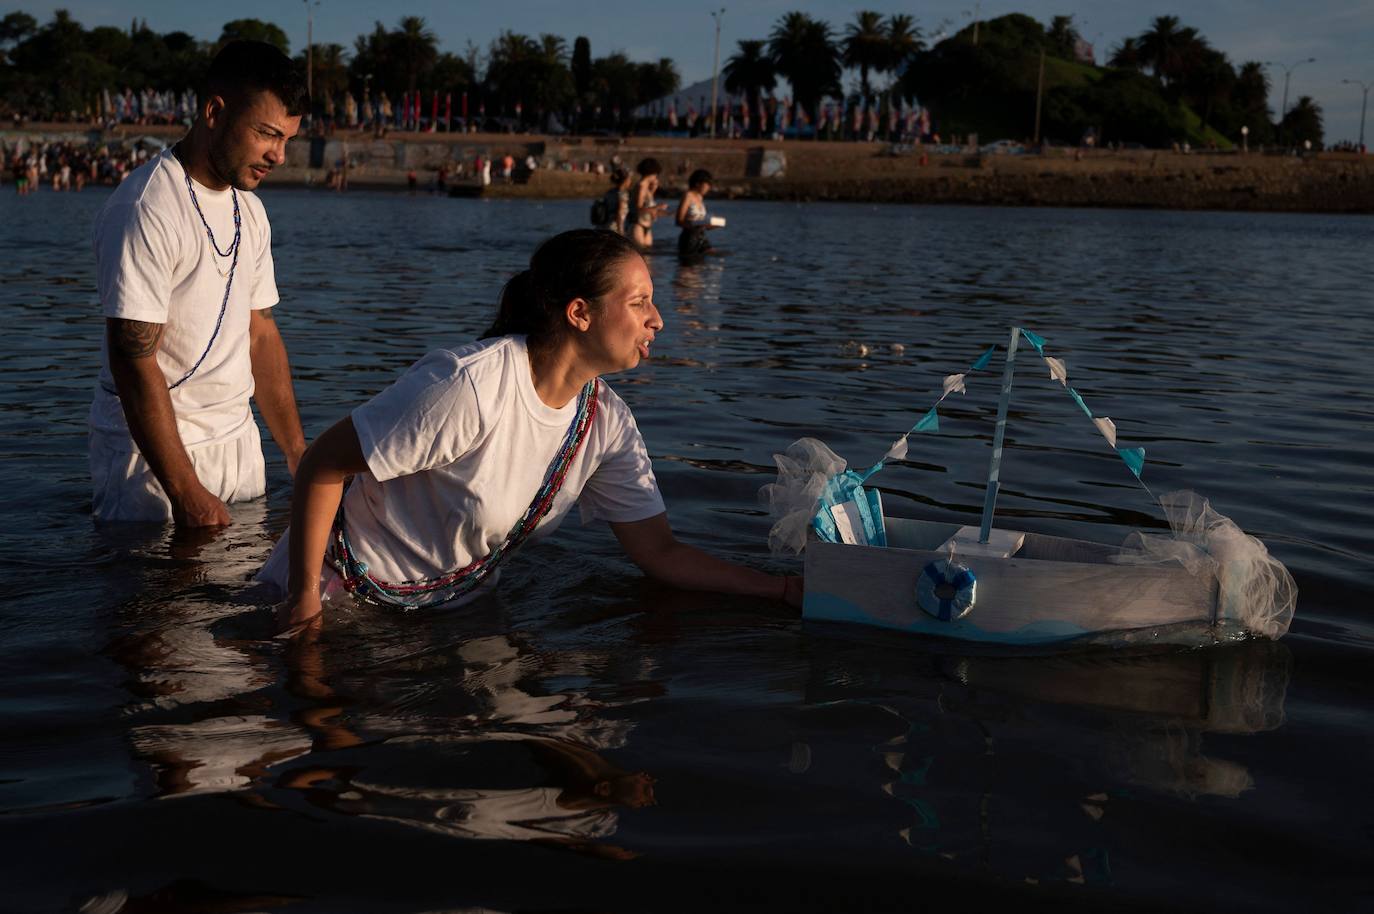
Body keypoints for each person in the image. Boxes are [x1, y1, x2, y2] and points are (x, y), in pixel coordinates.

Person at [260, 229, 802, 632]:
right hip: (333, 597)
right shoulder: (469, 385)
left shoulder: (607, 426)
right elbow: (321, 464)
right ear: (579, 313)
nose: (657, 319)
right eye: (639, 303)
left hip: (448, 610)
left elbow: (660, 552)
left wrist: (781, 590)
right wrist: (305, 597)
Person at [88, 40, 308, 526]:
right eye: (267, 134)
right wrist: (187, 492)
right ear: (214, 111)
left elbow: (261, 333)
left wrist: (297, 454)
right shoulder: (147, 207)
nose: (280, 155)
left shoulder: (250, 209)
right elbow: (132, 356)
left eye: (287, 139)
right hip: (153, 461)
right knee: (162, 598)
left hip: (237, 446)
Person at [675, 168, 717, 259]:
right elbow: (679, 220)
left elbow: (701, 222)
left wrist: (712, 224)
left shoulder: (700, 197)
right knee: (688, 269)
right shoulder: (688, 195)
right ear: (698, 183)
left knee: (704, 265)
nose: (709, 187)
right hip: (689, 237)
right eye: (707, 184)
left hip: (701, 236)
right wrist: (693, 224)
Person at [625, 157, 667, 250]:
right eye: (656, 174)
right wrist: (657, 207)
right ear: (652, 173)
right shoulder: (642, 185)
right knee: (641, 254)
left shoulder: (646, 187)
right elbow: (639, 208)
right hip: (637, 225)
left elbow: (647, 207)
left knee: (648, 257)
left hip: (646, 226)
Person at [595, 167, 632, 235]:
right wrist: (621, 231)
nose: (630, 181)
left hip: (603, 226)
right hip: (614, 228)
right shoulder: (623, 194)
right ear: (626, 180)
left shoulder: (609, 193)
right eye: (629, 179)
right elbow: (620, 212)